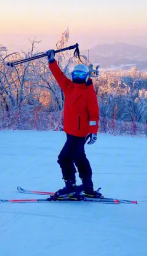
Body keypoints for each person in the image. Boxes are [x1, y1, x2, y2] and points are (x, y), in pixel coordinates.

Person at [47, 49, 102, 199]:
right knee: (79, 157)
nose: (78, 77)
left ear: (86, 77)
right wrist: (52, 62)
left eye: (81, 75)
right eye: (75, 75)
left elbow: (94, 113)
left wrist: (93, 131)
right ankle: (88, 187)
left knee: (64, 158)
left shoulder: (88, 92)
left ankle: (70, 186)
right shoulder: (69, 87)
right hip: (70, 131)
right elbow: (59, 76)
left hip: (80, 133)